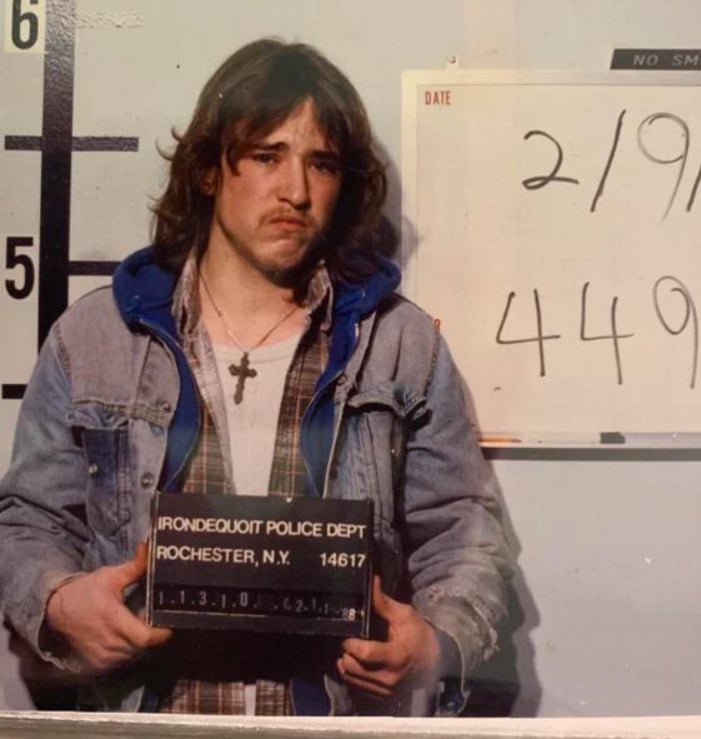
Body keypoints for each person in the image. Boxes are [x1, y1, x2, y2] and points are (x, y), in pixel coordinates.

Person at [0, 38, 511, 716]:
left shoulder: (400, 343)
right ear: (211, 168)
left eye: (321, 165)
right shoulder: (95, 337)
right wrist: (61, 601)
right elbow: (27, 519)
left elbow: (465, 532)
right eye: (268, 156)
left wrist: (437, 644)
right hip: (142, 720)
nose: (296, 191)